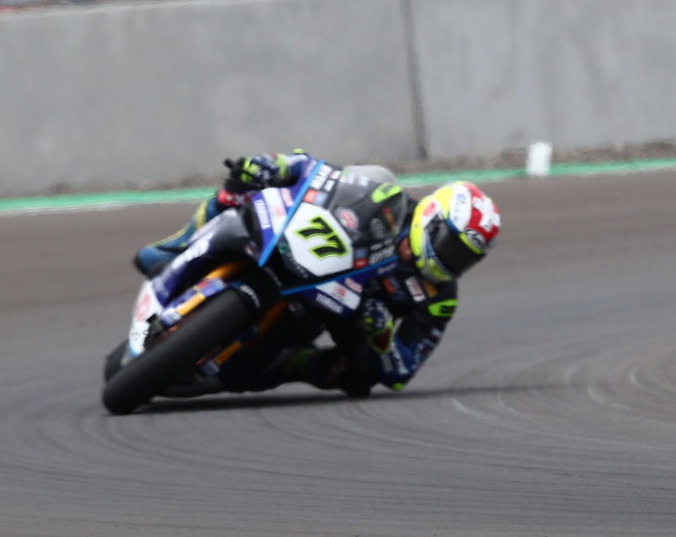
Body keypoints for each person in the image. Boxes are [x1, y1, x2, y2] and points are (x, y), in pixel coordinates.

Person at [134, 151, 501, 397]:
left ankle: (295, 365)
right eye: (452, 247)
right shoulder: (389, 199)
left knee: (356, 378)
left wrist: (382, 336)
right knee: (242, 187)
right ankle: (176, 246)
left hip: (338, 311)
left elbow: (402, 374)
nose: (452, 262)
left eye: (465, 258)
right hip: (308, 250)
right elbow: (318, 173)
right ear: (432, 218)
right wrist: (274, 166)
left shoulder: (441, 296)